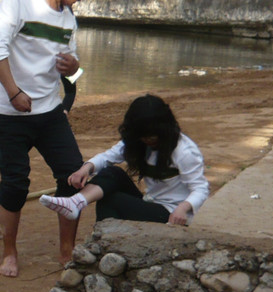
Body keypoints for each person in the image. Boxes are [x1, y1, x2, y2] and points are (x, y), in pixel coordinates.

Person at [0, 0, 102, 276]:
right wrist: (13, 92)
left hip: (50, 110)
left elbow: (73, 72)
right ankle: (9, 252)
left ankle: (66, 251)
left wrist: (74, 67)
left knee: (74, 176)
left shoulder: (68, 18)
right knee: (15, 183)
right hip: (10, 110)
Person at [39, 95, 209, 228]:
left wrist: (184, 207)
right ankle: (76, 202)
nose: (148, 140)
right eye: (143, 136)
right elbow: (107, 157)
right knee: (112, 173)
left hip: (172, 213)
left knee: (112, 200)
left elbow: (200, 188)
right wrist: (86, 168)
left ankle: (103, 246)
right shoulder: (138, 141)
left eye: (152, 136)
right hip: (150, 202)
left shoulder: (184, 151)